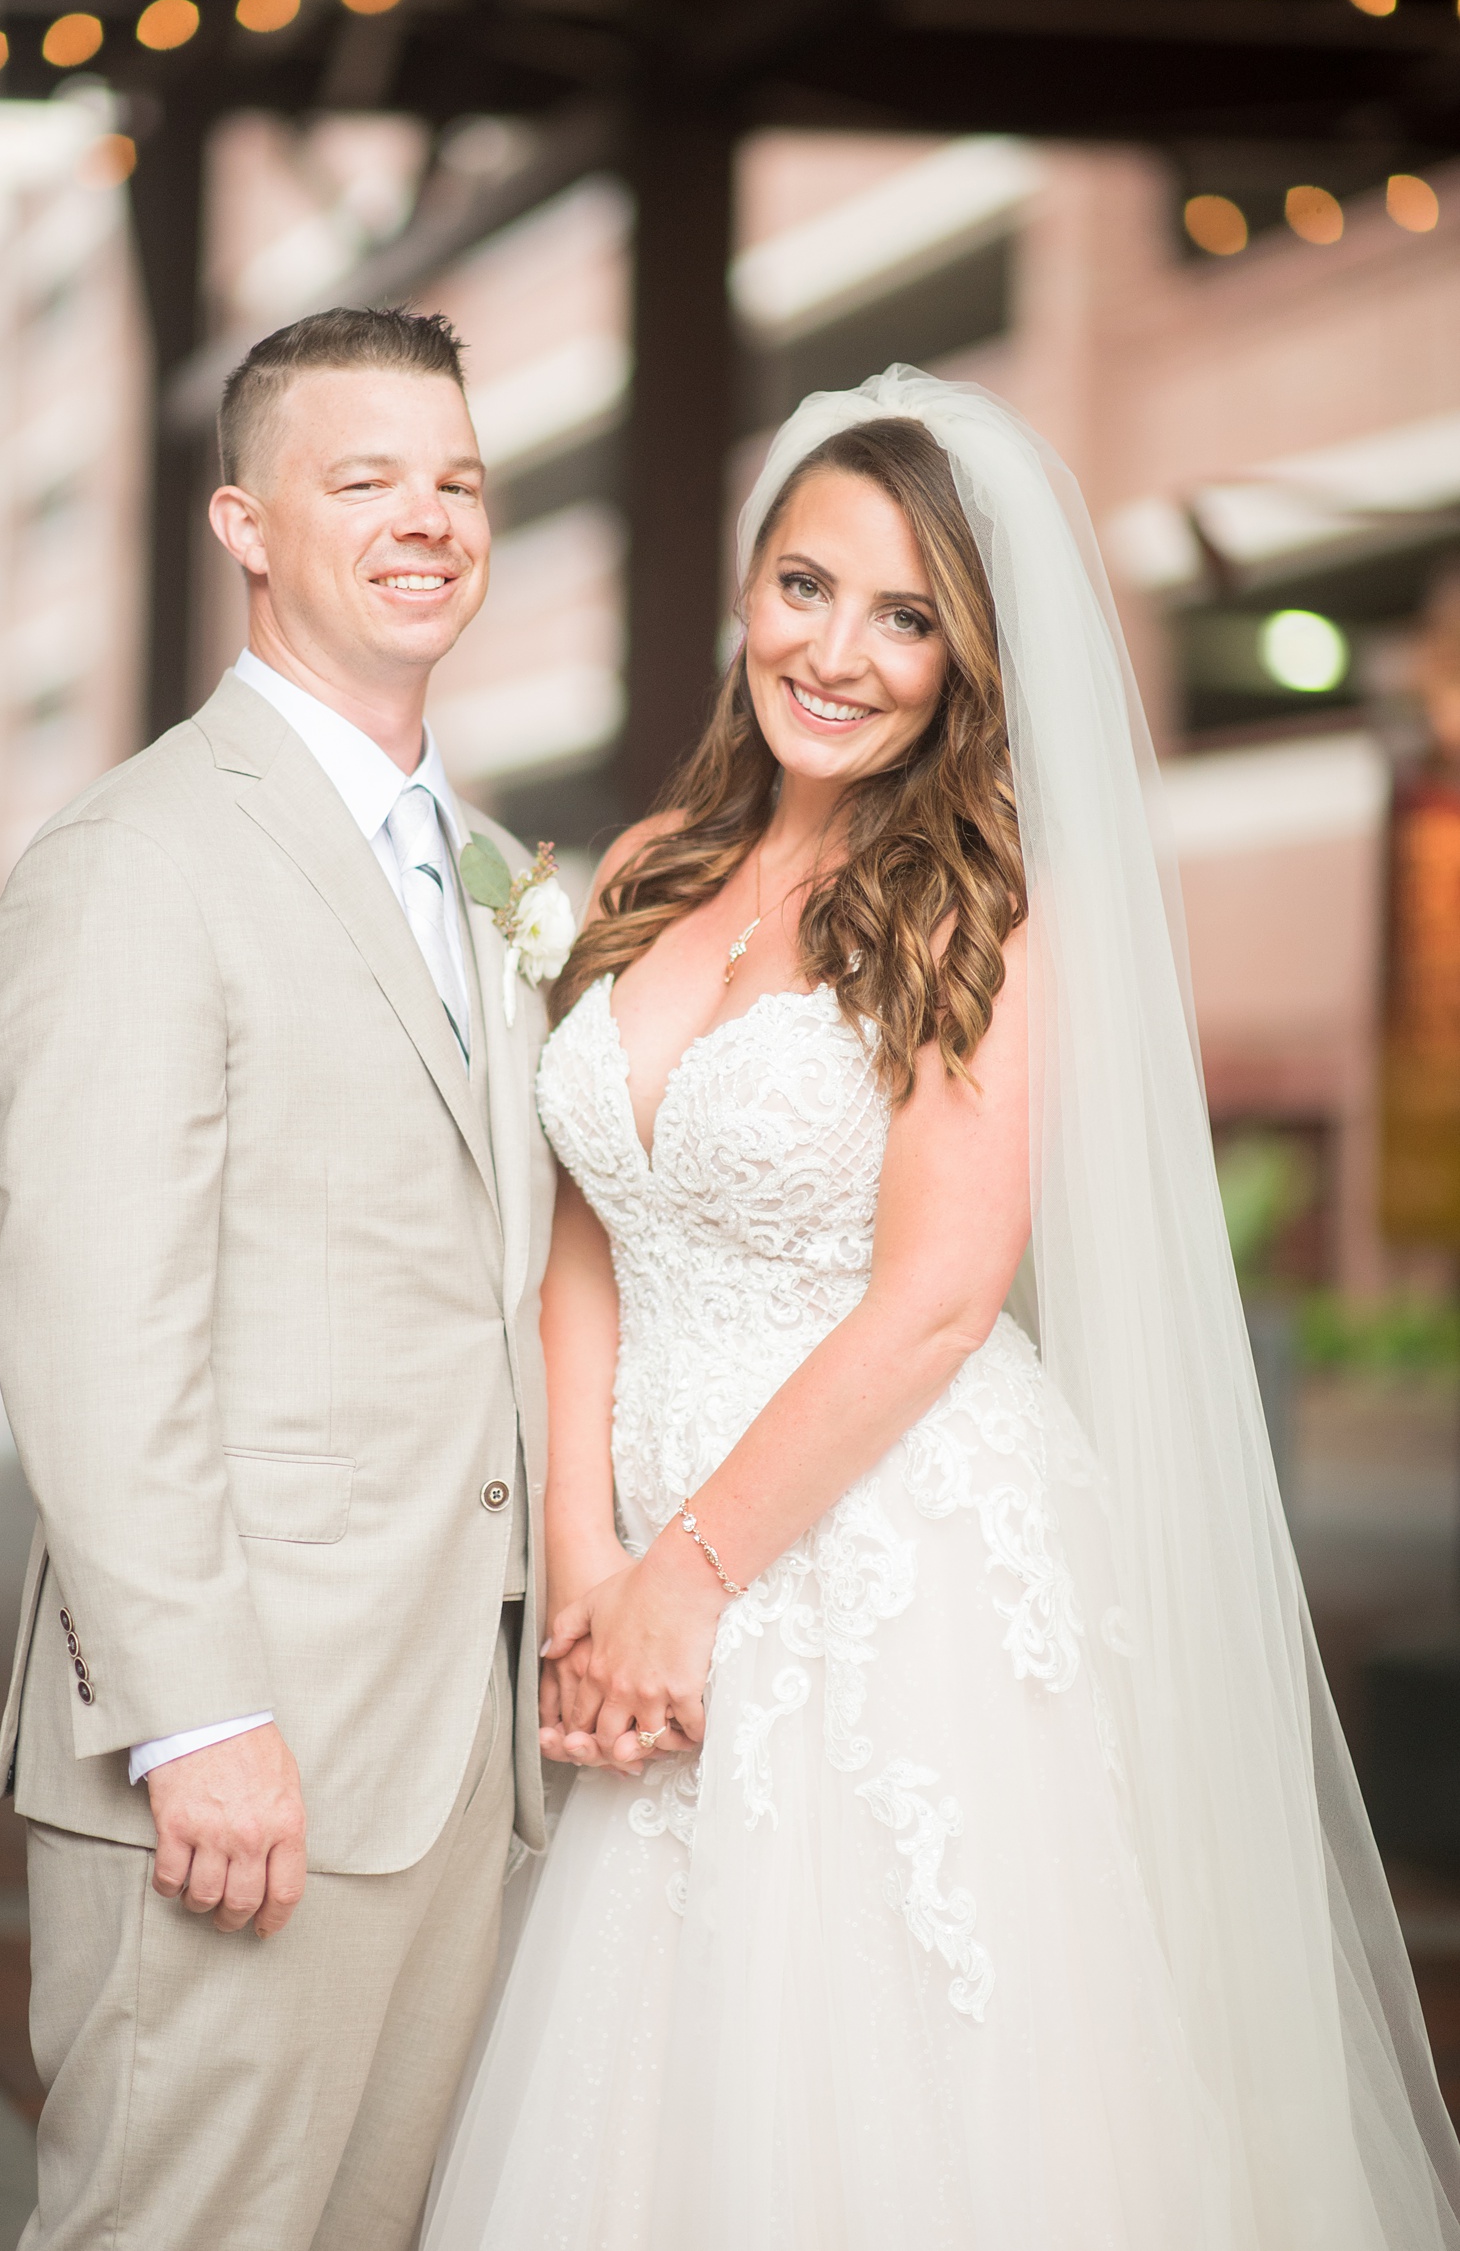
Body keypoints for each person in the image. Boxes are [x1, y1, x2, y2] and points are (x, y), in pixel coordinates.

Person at [423, 367, 1460, 2250]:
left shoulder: (982, 909)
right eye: (806, 587)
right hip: (638, 1554)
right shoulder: (655, 877)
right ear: (750, 592)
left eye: (907, 616)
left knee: (893, 2086)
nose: (841, 651)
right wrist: (587, 1547)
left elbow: (938, 1300)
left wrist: (692, 1573)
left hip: (874, 1555)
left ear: (966, 658)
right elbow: (587, 1235)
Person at [0, 305, 563, 2251]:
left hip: (456, 1758)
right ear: (243, 517)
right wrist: (193, 1706)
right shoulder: (137, 855)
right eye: (366, 476)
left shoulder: (493, 868)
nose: (429, 518)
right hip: (245, 1751)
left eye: (458, 480)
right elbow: (89, 1317)